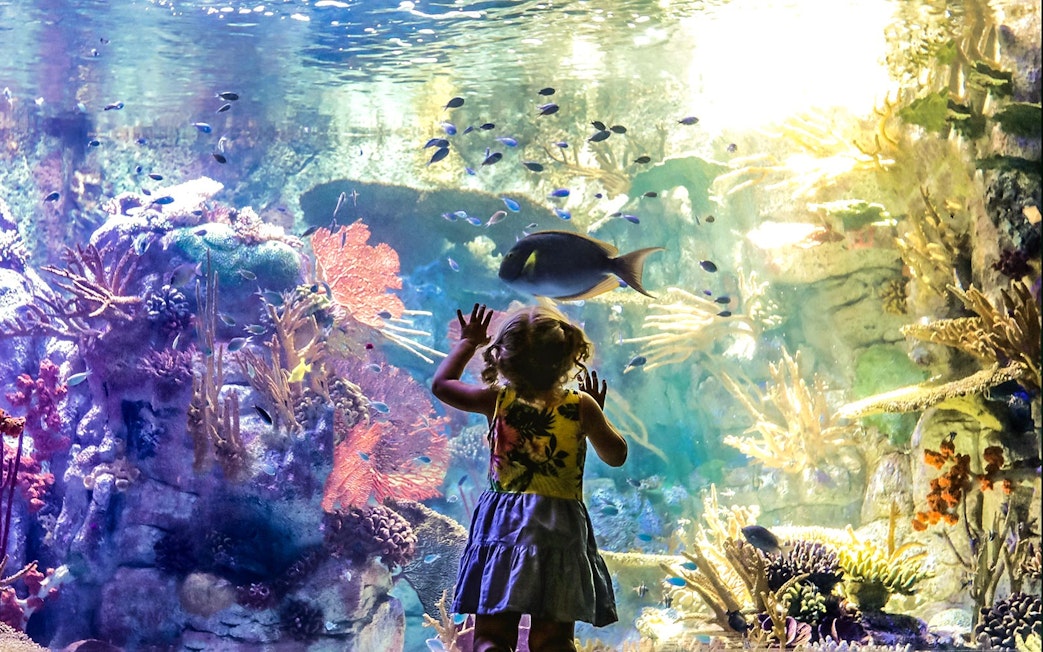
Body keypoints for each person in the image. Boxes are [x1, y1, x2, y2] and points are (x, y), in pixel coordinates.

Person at [431, 303, 628, 652]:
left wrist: (467, 343)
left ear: (504, 358)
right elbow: (616, 455)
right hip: (559, 529)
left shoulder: (497, 399)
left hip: (503, 525)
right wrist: (595, 418)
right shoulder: (581, 405)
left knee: (492, 634)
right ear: (568, 358)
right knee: (553, 640)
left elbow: (443, 385)